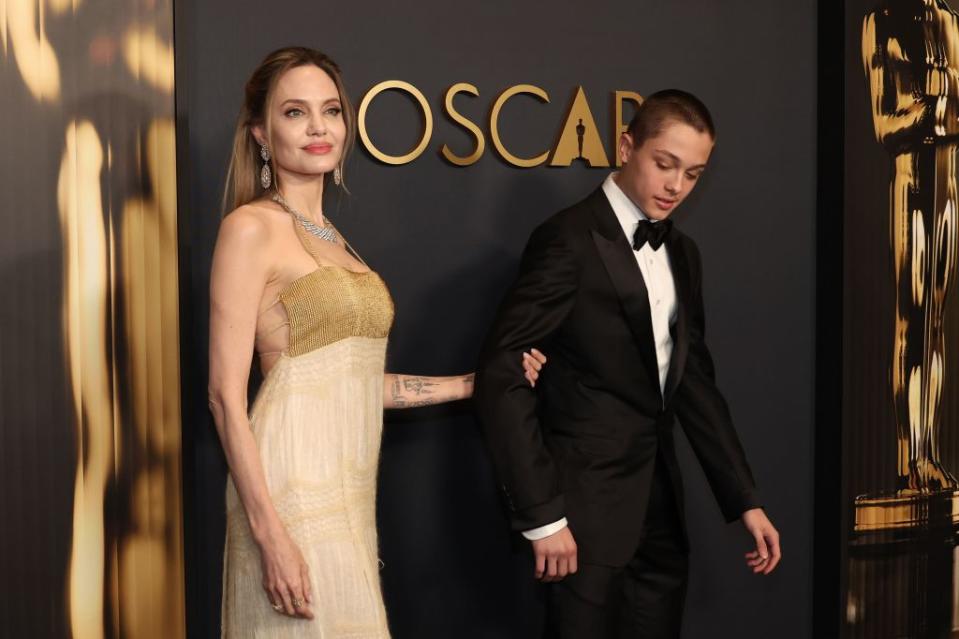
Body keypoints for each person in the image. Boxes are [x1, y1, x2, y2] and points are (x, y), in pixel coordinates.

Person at [207, 47, 544, 638]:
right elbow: (223, 398)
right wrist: (269, 534)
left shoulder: (334, 238)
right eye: (294, 112)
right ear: (261, 132)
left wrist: (475, 382)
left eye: (331, 110)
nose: (318, 126)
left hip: (349, 496)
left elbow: (354, 383)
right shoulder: (250, 228)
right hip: (289, 490)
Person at [474, 89, 782, 638]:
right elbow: (502, 375)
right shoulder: (566, 239)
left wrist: (744, 500)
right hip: (581, 514)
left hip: (661, 511)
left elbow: (694, 385)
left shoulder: (685, 254)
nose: (676, 187)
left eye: (693, 174)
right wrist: (543, 514)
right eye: (665, 165)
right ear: (625, 146)